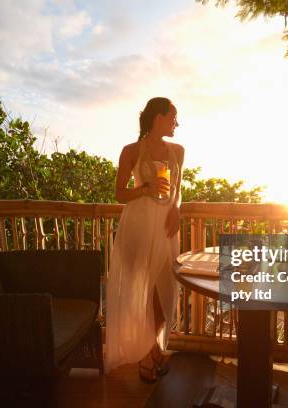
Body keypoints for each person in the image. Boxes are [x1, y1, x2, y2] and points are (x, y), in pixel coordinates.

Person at [105, 97, 184, 383]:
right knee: (141, 294)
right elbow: (119, 194)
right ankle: (149, 355)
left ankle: (152, 348)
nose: (177, 122)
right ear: (158, 118)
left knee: (166, 292)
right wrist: (146, 188)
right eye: (173, 116)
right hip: (138, 226)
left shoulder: (178, 151)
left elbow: (178, 189)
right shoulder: (130, 151)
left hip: (165, 227)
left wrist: (176, 209)